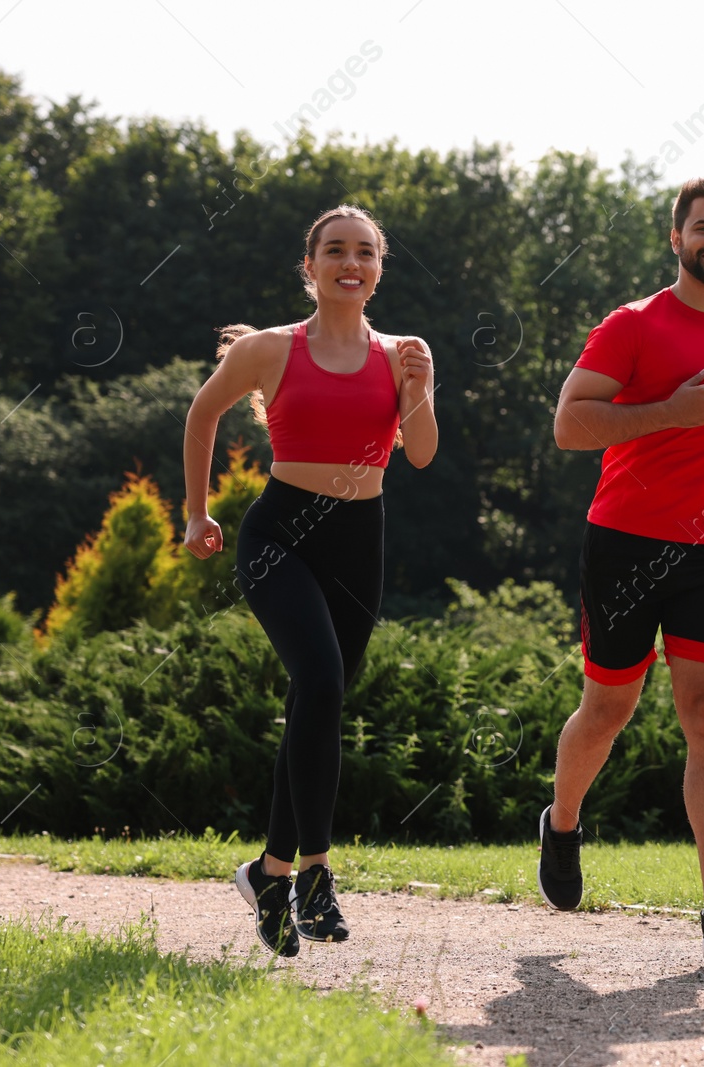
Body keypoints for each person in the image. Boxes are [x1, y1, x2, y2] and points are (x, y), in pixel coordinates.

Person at [181, 204, 438, 957]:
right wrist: (196, 514)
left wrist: (419, 388)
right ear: (310, 266)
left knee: (316, 701)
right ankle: (316, 875)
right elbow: (202, 415)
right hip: (280, 535)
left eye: (364, 252)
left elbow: (419, 453)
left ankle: (268, 872)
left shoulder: (404, 353)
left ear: (379, 269)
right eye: (334, 251)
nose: (349, 262)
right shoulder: (268, 350)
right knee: (321, 680)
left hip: (361, 539)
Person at [543, 175, 704, 959]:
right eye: (702, 227)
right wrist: (666, 414)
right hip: (625, 540)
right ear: (676, 238)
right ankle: (563, 820)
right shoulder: (633, 325)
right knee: (608, 710)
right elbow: (570, 424)